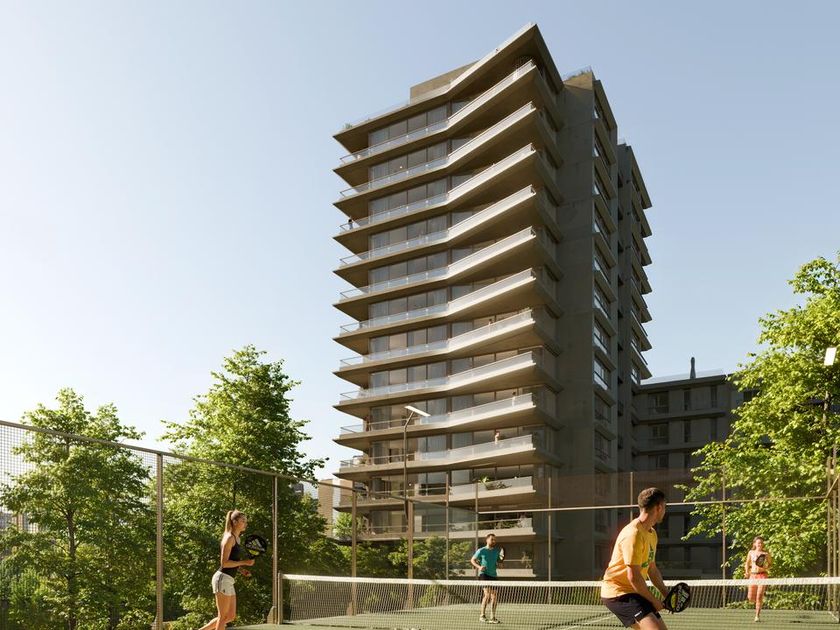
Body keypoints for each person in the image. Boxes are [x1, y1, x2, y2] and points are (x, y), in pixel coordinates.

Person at [601, 488, 669, 630]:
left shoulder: (652, 533)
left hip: (634, 591)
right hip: (618, 593)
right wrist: (654, 601)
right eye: (664, 507)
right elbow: (634, 577)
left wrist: (666, 594)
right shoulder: (633, 534)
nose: (665, 511)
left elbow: (652, 569)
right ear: (658, 507)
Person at [199, 510, 255, 630]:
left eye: (246, 521)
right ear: (234, 522)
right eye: (243, 521)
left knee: (230, 616)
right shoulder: (229, 538)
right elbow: (224, 563)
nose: (245, 523)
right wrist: (244, 562)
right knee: (223, 616)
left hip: (228, 580)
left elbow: (232, 560)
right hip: (222, 579)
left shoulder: (237, 539)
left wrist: (241, 569)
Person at [471, 533, 504, 624]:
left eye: (494, 540)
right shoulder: (481, 550)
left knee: (494, 596)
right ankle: (482, 616)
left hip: (494, 575)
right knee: (487, 595)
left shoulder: (496, 551)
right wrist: (479, 567)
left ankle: (492, 617)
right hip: (484, 574)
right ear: (487, 540)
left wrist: (500, 564)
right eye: (492, 539)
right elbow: (472, 560)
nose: (493, 541)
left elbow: (499, 563)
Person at [745, 536, 772, 622]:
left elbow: (770, 564)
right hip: (753, 576)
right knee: (750, 598)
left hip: (763, 576)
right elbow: (747, 563)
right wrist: (747, 572)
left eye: (761, 543)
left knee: (759, 596)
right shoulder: (751, 552)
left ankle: (757, 616)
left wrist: (766, 567)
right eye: (758, 543)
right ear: (754, 544)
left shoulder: (766, 554)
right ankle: (756, 603)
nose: (760, 544)